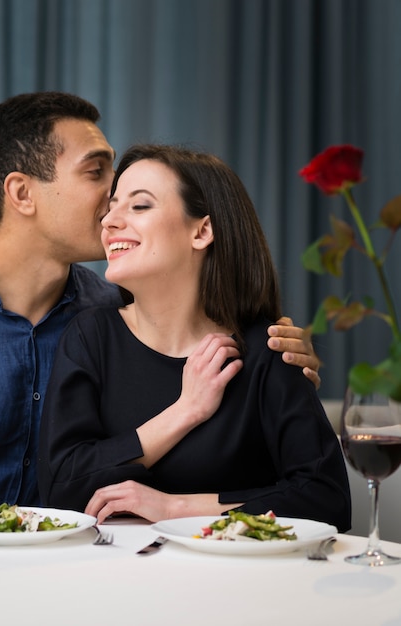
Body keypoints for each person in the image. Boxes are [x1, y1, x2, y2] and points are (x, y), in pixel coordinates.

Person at [0, 93, 321, 542]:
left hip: (73, 578)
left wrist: (277, 361)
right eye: (97, 173)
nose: (111, 200)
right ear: (22, 193)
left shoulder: (118, 315)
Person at [38, 144, 351, 532]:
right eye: (112, 206)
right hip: (116, 579)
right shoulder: (90, 338)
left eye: (139, 206)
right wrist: (186, 411)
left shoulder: (268, 348)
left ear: (201, 231)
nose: (108, 221)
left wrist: (175, 509)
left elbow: (327, 499)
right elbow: (61, 490)